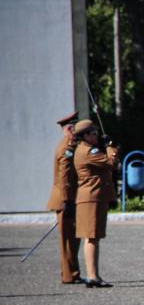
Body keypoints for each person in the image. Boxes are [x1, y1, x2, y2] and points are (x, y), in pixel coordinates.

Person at [72, 120, 118, 288]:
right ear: (85, 136)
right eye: (93, 133)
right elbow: (112, 164)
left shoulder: (84, 149)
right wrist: (111, 147)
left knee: (93, 237)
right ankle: (92, 276)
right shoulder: (89, 151)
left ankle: (93, 275)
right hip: (92, 198)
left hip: (91, 197)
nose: (96, 135)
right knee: (92, 237)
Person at [46, 112, 82, 284]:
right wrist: (68, 201)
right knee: (68, 240)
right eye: (74, 129)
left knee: (73, 239)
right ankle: (69, 275)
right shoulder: (66, 148)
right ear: (69, 129)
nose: (76, 132)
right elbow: (64, 177)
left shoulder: (72, 146)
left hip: (69, 198)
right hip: (65, 199)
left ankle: (72, 272)